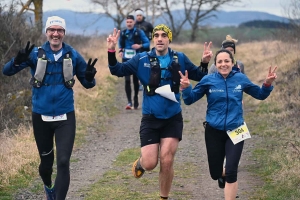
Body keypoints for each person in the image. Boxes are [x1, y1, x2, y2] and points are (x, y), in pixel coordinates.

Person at [107, 24, 213, 200]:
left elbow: (200, 76)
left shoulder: (180, 58)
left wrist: (204, 62)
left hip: (172, 117)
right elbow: (116, 70)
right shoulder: (141, 59)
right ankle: (141, 162)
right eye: (156, 35)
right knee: (150, 163)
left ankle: (164, 197)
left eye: (164, 35)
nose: (160, 38)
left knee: (167, 159)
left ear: (169, 39)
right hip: (150, 117)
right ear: (153, 39)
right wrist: (111, 51)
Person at [2, 16, 98, 200]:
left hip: (65, 117)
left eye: (59, 30)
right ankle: (48, 186)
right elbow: (6, 72)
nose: (56, 34)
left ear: (64, 33)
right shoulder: (35, 54)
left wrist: (89, 77)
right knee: (46, 165)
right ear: (46, 32)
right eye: (52, 30)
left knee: (63, 162)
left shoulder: (72, 54)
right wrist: (16, 61)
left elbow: (87, 84)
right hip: (41, 117)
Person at [180, 49, 277, 200]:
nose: (223, 64)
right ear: (215, 64)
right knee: (215, 173)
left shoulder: (240, 79)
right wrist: (186, 88)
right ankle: (221, 174)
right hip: (213, 131)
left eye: (227, 61)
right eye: (220, 61)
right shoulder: (208, 80)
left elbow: (260, 95)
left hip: (236, 129)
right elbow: (189, 100)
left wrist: (267, 84)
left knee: (232, 172)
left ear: (233, 63)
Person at [118, 15, 150, 110]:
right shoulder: (123, 33)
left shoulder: (139, 32)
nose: (129, 24)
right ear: (125, 23)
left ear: (134, 22)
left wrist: (139, 46)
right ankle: (129, 102)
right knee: (127, 80)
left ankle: (135, 97)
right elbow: (120, 44)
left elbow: (147, 43)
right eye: (127, 22)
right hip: (126, 59)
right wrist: (120, 51)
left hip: (136, 59)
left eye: (130, 22)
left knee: (136, 80)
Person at [134, 8, 154, 91]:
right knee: (137, 65)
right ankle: (139, 82)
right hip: (136, 48)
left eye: (140, 15)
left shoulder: (147, 24)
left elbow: (154, 33)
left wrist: (150, 38)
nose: (139, 17)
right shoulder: (133, 25)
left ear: (143, 16)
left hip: (145, 47)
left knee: (146, 64)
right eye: (137, 15)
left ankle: (146, 81)